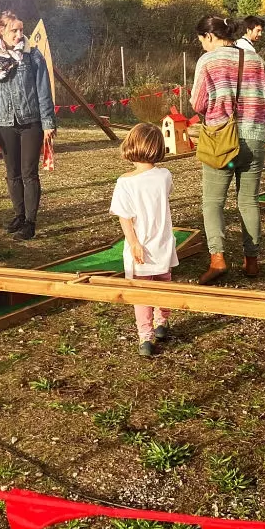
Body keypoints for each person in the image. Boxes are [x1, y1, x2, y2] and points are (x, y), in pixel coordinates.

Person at [191, 15, 265, 284]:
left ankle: (218, 260)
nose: (202, 46)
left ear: (209, 36)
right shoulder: (255, 59)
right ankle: (251, 262)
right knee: (249, 200)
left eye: (201, 41)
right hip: (254, 139)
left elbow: (198, 103)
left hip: (222, 142)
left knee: (213, 202)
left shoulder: (207, 61)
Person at [0, 11, 56, 241]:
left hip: (31, 121)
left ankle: (30, 222)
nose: (20, 34)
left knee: (28, 173)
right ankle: (19, 216)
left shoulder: (33, 56)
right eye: (14, 30)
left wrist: (48, 122)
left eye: (22, 30)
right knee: (12, 173)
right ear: (0, 30)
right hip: (3, 123)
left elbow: (43, 90)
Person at [109, 123, 179, 357]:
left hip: (140, 247)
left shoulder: (125, 182)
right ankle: (161, 322)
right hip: (163, 244)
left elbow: (125, 218)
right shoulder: (165, 175)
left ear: (131, 146)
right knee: (163, 283)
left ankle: (146, 335)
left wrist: (134, 243)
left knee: (141, 292)